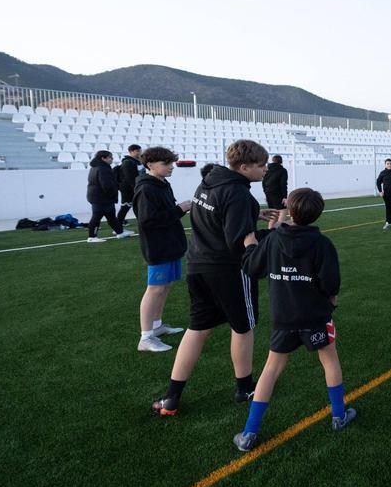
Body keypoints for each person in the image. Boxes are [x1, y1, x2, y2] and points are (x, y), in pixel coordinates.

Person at [152, 139, 277, 416]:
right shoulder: (238, 193)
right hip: (228, 269)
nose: (265, 169)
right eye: (261, 165)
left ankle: (171, 397)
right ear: (244, 167)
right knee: (243, 327)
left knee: (197, 329)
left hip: (198, 265)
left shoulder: (208, 182)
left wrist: (252, 213)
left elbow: (214, 216)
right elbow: (239, 242)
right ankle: (245, 388)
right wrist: (273, 232)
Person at [234, 188, 356, 451]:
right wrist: (331, 303)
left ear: (289, 209)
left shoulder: (273, 240)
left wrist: (250, 244)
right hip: (315, 316)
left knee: (271, 369)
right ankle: (338, 415)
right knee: (329, 360)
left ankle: (249, 433)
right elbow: (331, 283)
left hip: (284, 317)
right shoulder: (322, 244)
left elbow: (252, 267)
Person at [133, 146, 192, 353]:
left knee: (165, 286)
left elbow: (165, 214)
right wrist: (179, 209)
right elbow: (148, 220)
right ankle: (145, 337)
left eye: (171, 163)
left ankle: (156, 326)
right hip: (158, 246)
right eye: (166, 163)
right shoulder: (146, 189)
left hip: (170, 243)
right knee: (155, 288)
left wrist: (178, 210)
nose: (171, 167)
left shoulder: (162, 184)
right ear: (150, 165)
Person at [86, 150, 133, 242]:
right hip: (101, 197)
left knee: (111, 216)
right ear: (103, 158)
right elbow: (107, 185)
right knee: (97, 217)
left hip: (98, 196)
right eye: (110, 157)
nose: (112, 159)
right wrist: (113, 195)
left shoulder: (96, 167)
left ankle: (120, 232)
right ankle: (92, 237)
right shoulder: (103, 168)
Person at [115, 144, 143, 229]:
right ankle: (118, 227)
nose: (140, 153)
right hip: (128, 189)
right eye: (137, 151)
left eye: (140, 151)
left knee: (139, 206)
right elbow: (129, 177)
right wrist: (135, 187)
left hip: (136, 187)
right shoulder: (127, 162)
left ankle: (142, 223)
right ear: (131, 152)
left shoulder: (138, 161)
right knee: (125, 207)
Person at [262, 155, 289, 229]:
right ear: (281, 161)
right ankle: (278, 232)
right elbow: (283, 184)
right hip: (278, 194)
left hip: (268, 194)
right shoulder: (282, 170)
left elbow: (263, 183)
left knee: (273, 215)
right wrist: (285, 197)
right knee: (283, 212)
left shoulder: (267, 170)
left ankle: (270, 232)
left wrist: (266, 194)